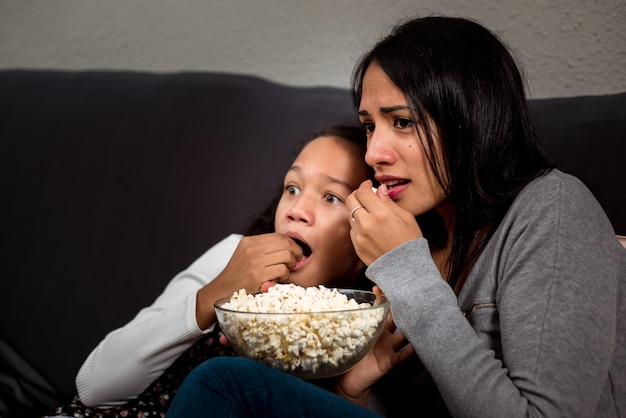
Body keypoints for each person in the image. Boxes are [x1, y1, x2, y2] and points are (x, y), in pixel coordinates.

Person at [166, 15, 626, 418]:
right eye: (369, 126)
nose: (373, 153)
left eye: (401, 122)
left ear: (471, 120)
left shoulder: (552, 207)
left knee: (226, 384)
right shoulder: (409, 239)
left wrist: (410, 274)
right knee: (237, 374)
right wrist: (353, 389)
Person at [45, 124, 375, 417]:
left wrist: (350, 394)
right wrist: (215, 293)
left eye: (331, 197)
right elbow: (93, 386)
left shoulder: (369, 325)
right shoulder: (235, 256)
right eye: (292, 188)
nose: (296, 210)